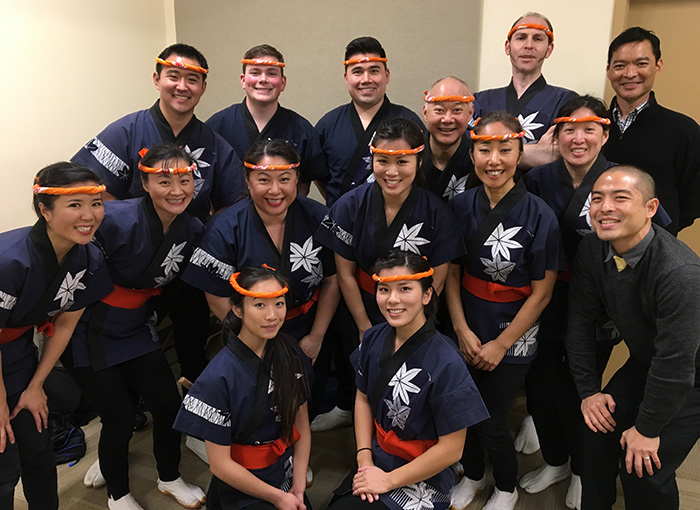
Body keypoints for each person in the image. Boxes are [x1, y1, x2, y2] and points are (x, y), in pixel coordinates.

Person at [72, 43, 244, 417]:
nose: (182, 86)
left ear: (203, 86)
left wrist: (199, 236)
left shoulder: (214, 143)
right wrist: (139, 238)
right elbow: (93, 195)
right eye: (174, 76)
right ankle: (125, 412)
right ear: (157, 79)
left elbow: (233, 201)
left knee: (193, 330)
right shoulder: (127, 130)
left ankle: (198, 410)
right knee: (118, 337)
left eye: (193, 80)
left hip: (185, 254)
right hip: (127, 261)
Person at [62, 145, 206, 510]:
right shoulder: (111, 218)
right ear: (143, 182)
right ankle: (118, 493)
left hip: (137, 324)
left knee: (167, 404)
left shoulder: (193, 227)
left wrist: (153, 316)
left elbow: (173, 285)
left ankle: (169, 476)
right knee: (119, 417)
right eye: (163, 180)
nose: (176, 190)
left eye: (184, 180)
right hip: (89, 327)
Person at [445, 110, 564, 510]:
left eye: (505, 149)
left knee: (492, 419)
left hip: (515, 329)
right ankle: (475, 475)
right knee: (461, 408)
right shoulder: (460, 206)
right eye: (484, 149)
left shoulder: (540, 214)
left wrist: (501, 344)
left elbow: (542, 293)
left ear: (519, 152)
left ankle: (507, 487)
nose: (493, 160)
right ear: (472, 152)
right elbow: (451, 274)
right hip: (466, 320)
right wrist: (460, 329)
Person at [313, 117, 463, 432]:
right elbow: (345, 273)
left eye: (402, 161)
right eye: (382, 161)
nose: (391, 171)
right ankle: (366, 449)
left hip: (416, 313)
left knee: (412, 385)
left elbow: (437, 276)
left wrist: (412, 321)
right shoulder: (350, 205)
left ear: (419, 160)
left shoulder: (437, 212)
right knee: (364, 377)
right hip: (362, 305)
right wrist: (366, 328)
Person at [566, 166, 700, 509]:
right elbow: (580, 322)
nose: (605, 207)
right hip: (648, 361)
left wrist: (648, 429)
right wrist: (589, 393)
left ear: (651, 208)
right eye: (597, 199)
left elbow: (676, 365)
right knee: (594, 433)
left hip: (691, 374)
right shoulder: (593, 249)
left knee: (643, 468)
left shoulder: (679, 273)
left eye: (620, 197)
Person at [327, 250, 488, 510]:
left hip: (424, 475)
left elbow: (452, 450)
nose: (393, 300)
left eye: (404, 289)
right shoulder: (373, 338)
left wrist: (388, 481)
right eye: (384, 290)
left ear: (426, 295)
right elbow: (363, 398)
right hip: (378, 458)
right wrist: (364, 457)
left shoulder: (447, 361)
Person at [0, 163, 112, 509]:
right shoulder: (10, 260)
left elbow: (64, 323)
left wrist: (35, 387)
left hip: (17, 355)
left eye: (95, 203)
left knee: (38, 447)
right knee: (3, 463)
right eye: (75, 204)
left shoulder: (88, 256)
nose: (89, 215)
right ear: (45, 210)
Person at [182, 138, 339, 356]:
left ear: (297, 179)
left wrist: (316, 337)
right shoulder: (224, 228)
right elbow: (216, 296)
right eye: (264, 180)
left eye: (284, 179)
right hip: (249, 335)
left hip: (309, 329)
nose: (275, 190)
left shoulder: (319, 218)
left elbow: (332, 280)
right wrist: (252, 340)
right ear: (247, 180)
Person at [174, 266, 312, 510]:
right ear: (237, 309)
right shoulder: (218, 377)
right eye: (260, 305)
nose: (272, 315)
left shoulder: (292, 355)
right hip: (239, 483)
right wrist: (278, 498)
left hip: (283, 472)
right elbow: (220, 465)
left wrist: (298, 486)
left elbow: (301, 425)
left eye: (278, 304)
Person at [602, 27, 700, 236]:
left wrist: (660, 229)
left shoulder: (683, 130)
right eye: (620, 65)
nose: (630, 74)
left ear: (658, 66)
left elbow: (693, 199)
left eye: (641, 64)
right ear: (609, 70)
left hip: (656, 247)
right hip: (594, 246)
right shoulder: (593, 128)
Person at [316, 36, 424, 206]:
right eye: (357, 71)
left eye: (374, 71)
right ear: (346, 78)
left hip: (397, 223)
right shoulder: (328, 125)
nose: (366, 79)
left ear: (386, 75)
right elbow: (318, 175)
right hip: (340, 225)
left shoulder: (409, 121)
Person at [206, 44, 328, 195]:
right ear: (243, 80)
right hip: (230, 216)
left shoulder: (301, 129)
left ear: (283, 82)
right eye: (255, 72)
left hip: (285, 216)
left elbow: (304, 184)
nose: (263, 79)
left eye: (271, 73)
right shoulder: (217, 126)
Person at [473, 12, 577, 169]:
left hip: (541, 191)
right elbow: (467, 153)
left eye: (538, 39)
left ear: (549, 49)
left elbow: (558, 154)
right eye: (521, 38)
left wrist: (489, 151)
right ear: (508, 47)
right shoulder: (481, 101)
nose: (529, 45)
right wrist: (536, 152)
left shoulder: (566, 101)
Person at [421, 77, 475, 201]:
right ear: (425, 113)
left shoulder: (479, 159)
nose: (447, 119)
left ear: (470, 114)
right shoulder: (410, 154)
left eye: (457, 110)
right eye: (439, 110)